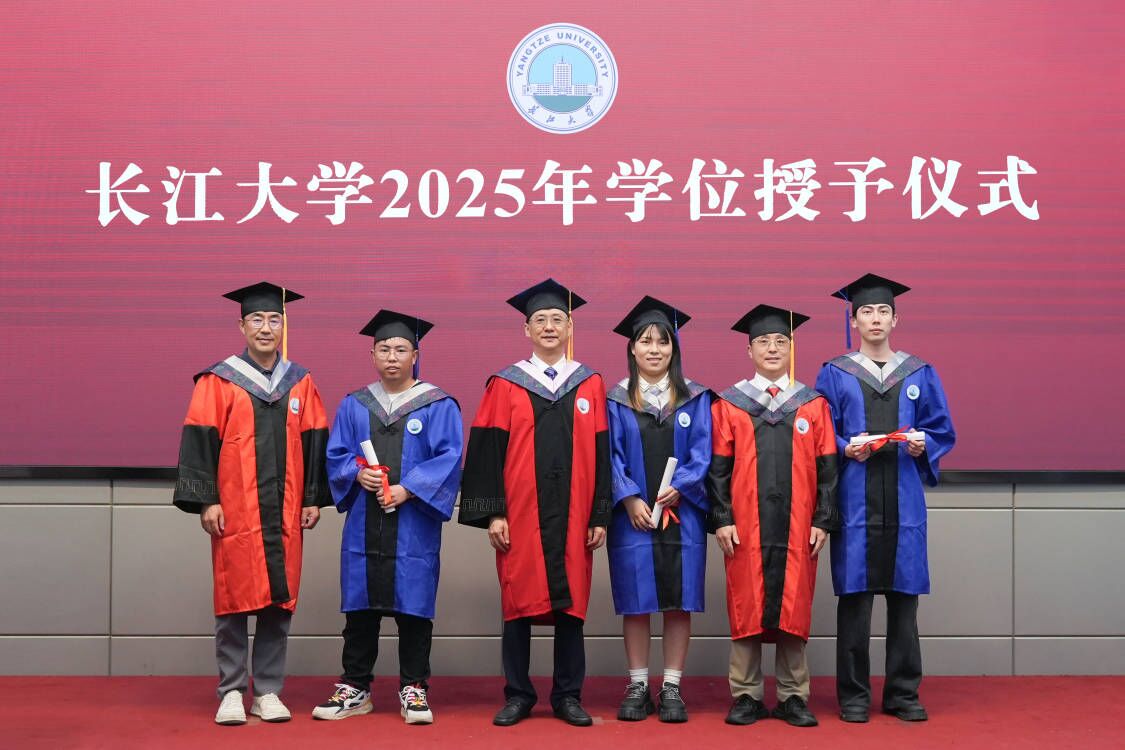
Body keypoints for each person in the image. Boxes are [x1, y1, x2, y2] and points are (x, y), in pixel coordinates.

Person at [173, 281, 329, 726]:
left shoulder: (300, 382)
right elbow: (199, 440)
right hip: (236, 508)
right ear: (241, 326)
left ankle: (269, 691)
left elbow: (315, 440)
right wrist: (207, 500)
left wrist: (313, 498)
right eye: (257, 319)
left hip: (286, 508)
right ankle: (231, 691)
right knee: (233, 599)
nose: (266, 328)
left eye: (274, 320)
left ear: (284, 327)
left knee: (279, 601)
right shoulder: (219, 380)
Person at [458, 278, 611, 728]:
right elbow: (486, 451)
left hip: (576, 513)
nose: (548, 327)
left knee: (571, 605)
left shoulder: (590, 384)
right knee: (517, 603)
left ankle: (568, 695)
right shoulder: (505, 384)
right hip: (520, 513)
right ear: (526, 329)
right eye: (540, 320)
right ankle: (518, 694)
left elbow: (603, 452)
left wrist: (599, 514)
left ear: (570, 327)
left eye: (557, 319)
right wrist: (494, 512)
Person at [814, 273, 956, 723]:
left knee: (904, 600)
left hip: (903, 499)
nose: (875, 319)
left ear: (896, 319)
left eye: (882, 312)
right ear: (853, 320)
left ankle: (903, 694)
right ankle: (854, 696)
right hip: (854, 501)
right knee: (855, 601)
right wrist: (844, 448)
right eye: (866, 312)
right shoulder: (835, 373)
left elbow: (940, 429)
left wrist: (923, 445)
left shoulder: (919, 372)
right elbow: (820, 432)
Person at [314, 310, 462, 725]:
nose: (392, 356)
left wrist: (408, 488)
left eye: (400, 349)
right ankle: (355, 687)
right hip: (365, 522)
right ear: (372, 355)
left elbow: (449, 456)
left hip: (413, 525)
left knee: (414, 607)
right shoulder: (354, 404)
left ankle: (414, 688)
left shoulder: (438, 405)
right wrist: (355, 473)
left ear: (415, 355)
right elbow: (337, 454)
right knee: (360, 608)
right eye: (384, 349)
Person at [708, 304, 838, 728]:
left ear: (791, 348)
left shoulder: (813, 405)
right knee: (747, 603)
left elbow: (829, 470)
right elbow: (718, 469)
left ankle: (793, 696)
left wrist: (823, 519)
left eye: (781, 341)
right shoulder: (730, 404)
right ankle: (745, 695)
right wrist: (722, 517)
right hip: (744, 525)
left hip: (799, 524)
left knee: (793, 604)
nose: (772, 348)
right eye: (763, 341)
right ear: (749, 350)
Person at [604, 296, 711, 723]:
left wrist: (682, 487)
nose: (654, 349)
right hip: (633, 517)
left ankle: (671, 686)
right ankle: (636, 684)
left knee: (678, 600)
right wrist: (629, 497)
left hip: (683, 514)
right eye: (645, 341)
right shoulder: (616, 400)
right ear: (632, 348)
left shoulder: (695, 398)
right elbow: (609, 456)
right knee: (636, 600)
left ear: (673, 348)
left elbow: (704, 451)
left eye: (662, 342)